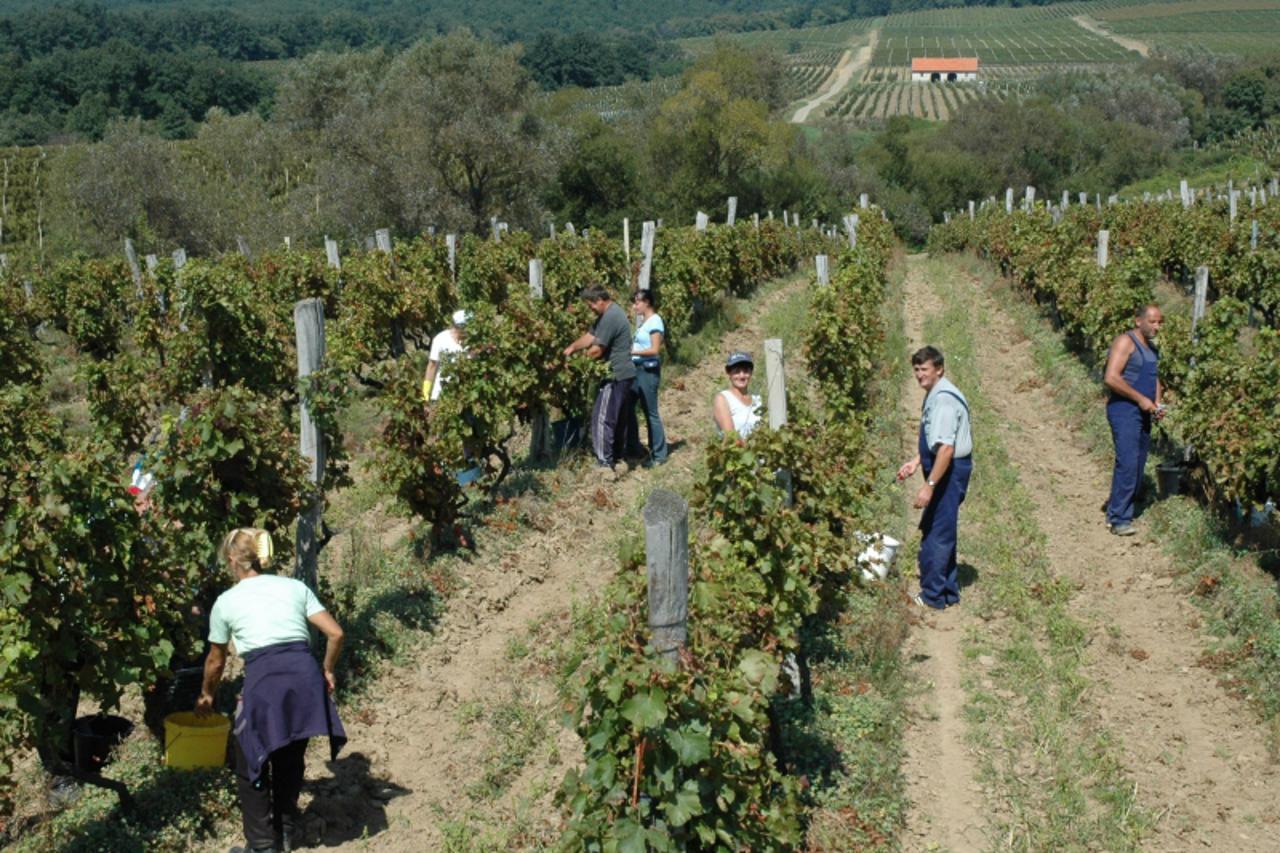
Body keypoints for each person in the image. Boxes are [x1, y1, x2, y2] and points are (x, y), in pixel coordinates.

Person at [198, 528, 347, 853]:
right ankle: (285, 832)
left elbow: (215, 661)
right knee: (289, 757)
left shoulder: (226, 602)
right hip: (304, 679)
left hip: (266, 682)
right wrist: (327, 670)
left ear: (232, 559)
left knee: (251, 758)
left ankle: (263, 846)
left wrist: (207, 695)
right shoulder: (294, 587)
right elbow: (335, 633)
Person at [896, 346, 973, 609]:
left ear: (939, 368)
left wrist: (929, 486)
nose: (919, 375)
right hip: (946, 469)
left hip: (949, 473)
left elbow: (947, 449)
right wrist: (917, 461)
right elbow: (937, 439)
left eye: (924, 369)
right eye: (916, 369)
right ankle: (947, 591)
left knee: (937, 533)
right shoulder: (936, 393)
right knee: (941, 527)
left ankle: (932, 596)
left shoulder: (943, 400)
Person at [1103, 303, 1164, 536]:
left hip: (1143, 412)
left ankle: (1121, 507)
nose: (1157, 326)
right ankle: (1118, 519)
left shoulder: (1152, 348)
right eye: (1153, 321)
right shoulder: (1126, 342)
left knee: (1137, 466)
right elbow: (1111, 378)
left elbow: (1155, 377)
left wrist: (1157, 402)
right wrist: (1140, 399)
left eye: (1160, 322)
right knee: (1127, 463)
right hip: (1124, 410)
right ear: (1138, 321)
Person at [563, 285, 638, 476]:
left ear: (600, 301)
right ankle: (618, 458)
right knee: (617, 417)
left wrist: (576, 364)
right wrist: (572, 347)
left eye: (591, 306)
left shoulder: (612, 316)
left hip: (615, 374)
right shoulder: (607, 316)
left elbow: (597, 349)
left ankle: (605, 464)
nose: (590, 309)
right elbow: (591, 336)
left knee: (603, 418)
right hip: (623, 374)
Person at [625, 289, 668, 465]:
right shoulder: (644, 322)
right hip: (637, 369)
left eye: (637, 302)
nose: (635, 306)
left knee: (650, 412)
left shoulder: (655, 321)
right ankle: (634, 447)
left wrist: (631, 352)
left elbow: (655, 349)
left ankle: (659, 455)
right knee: (628, 407)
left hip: (647, 370)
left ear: (647, 302)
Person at [423, 309, 470, 403]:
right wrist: (426, 392)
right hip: (441, 395)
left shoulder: (472, 341)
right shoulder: (441, 339)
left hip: (465, 397)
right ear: (460, 326)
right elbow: (432, 365)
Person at [712, 351, 762, 437]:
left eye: (746, 371)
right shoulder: (723, 399)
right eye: (737, 371)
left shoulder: (757, 400)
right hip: (736, 450)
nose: (742, 376)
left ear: (751, 373)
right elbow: (731, 437)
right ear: (729, 373)